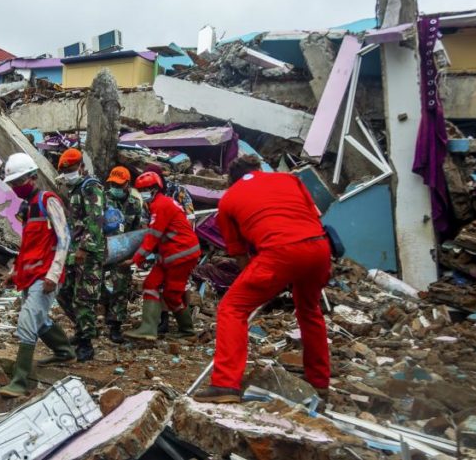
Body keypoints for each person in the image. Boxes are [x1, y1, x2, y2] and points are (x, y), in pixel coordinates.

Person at [193, 155, 331, 404]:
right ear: (259, 169)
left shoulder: (229, 200)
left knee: (232, 308)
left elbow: (239, 255)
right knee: (309, 310)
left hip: (278, 253)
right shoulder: (290, 179)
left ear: (231, 180)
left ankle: (225, 384)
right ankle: (319, 382)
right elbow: (313, 216)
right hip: (319, 248)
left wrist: (264, 281)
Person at [0, 154, 73, 397]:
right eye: (13, 183)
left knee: (27, 321)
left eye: (19, 181)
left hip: (46, 275)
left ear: (33, 177)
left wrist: (54, 274)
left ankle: (20, 381)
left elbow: (64, 238)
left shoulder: (48, 201)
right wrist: (14, 272)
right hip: (30, 274)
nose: (16, 187)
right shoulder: (28, 209)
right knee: (38, 319)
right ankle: (64, 351)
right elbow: (28, 247)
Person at [124, 171, 200, 342]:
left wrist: (136, 259)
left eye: (146, 189)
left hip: (180, 254)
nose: (143, 192)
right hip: (171, 254)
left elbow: (153, 236)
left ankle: (187, 330)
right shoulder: (157, 204)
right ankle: (148, 328)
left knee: (172, 294)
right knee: (150, 284)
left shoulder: (161, 206)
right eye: (141, 189)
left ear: (155, 189)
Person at [55, 148, 106, 362]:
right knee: (63, 292)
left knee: (83, 298)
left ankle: (86, 343)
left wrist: (85, 248)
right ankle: (82, 329)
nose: (68, 172)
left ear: (82, 167)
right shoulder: (74, 189)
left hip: (89, 252)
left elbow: (96, 219)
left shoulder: (91, 187)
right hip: (74, 250)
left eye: (72, 168)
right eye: (65, 170)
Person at [143, 165, 194, 334]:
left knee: (175, 288)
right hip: (162, 249)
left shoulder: (177, 192)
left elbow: (190, 218)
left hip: (179, 247)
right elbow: (147, 224)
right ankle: (160, 323)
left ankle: (186, 324)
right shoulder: (149, 199)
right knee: (155, 284)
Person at [101, 166, 144, 344]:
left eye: (119, 184)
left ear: (127, 184)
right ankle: (103, 309)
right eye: (113, 184)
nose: (115, 187)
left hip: (122, 251)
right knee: (95, 286)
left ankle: (115, 325)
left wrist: (132, 256)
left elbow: (136, 231)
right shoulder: (103, 199)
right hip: (103, 249)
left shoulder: (135, 204)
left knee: (121, 287)